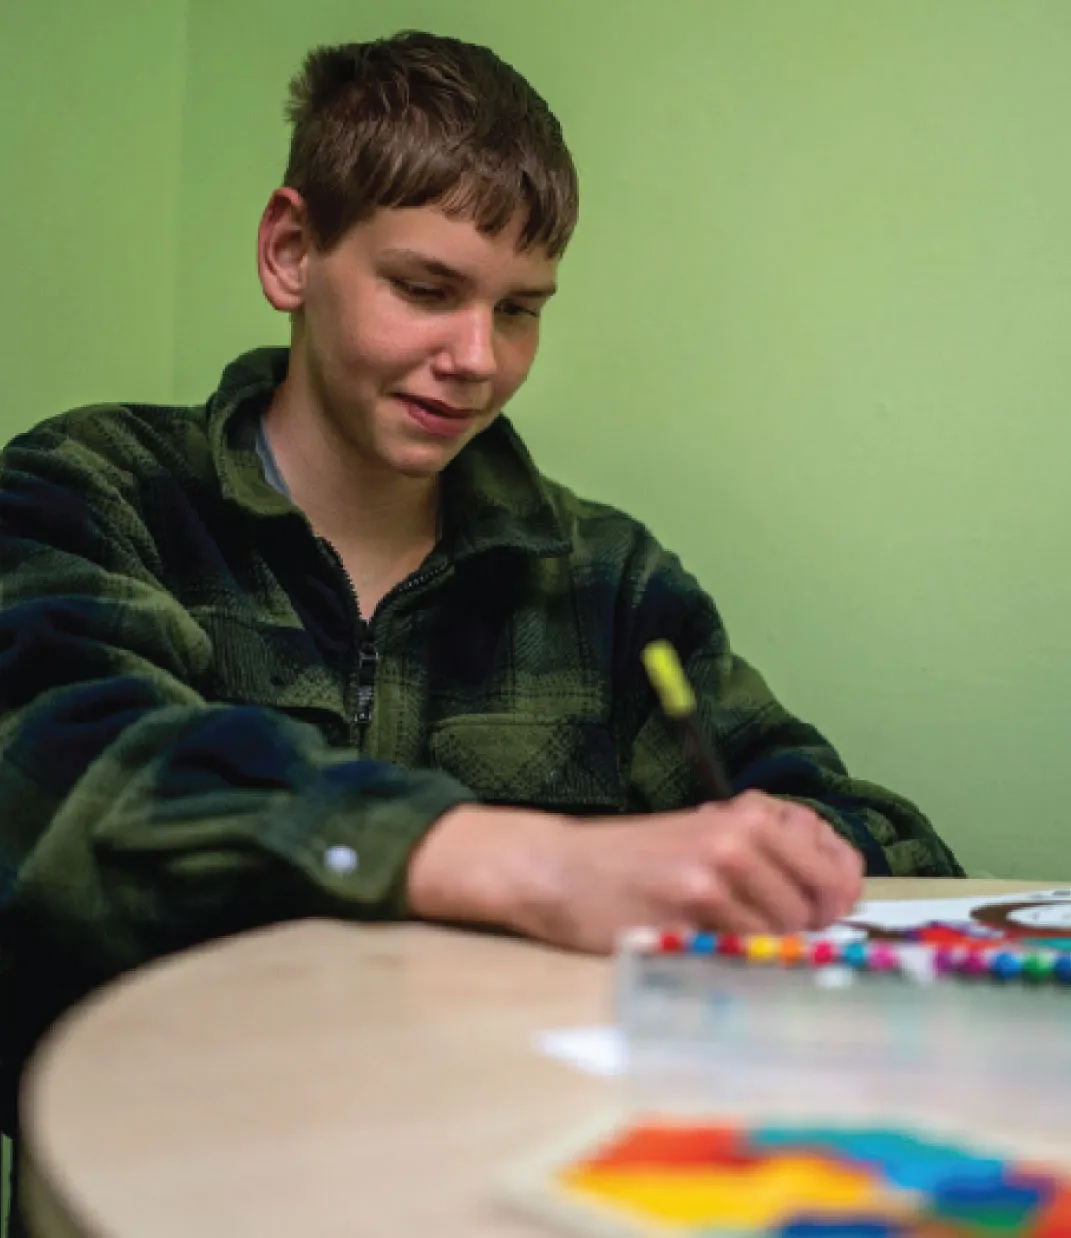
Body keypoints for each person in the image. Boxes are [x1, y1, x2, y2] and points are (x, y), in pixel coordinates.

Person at [0, 27, 962, 1193]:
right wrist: (526, 863)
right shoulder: (91, 488)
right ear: (292, 248)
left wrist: (790, 853)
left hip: (515, 1185)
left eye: (520, 310)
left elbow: (863, 827)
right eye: (427, 289)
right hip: (165, 1183)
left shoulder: (603, 575)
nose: (477, 358)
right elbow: (58, 769)